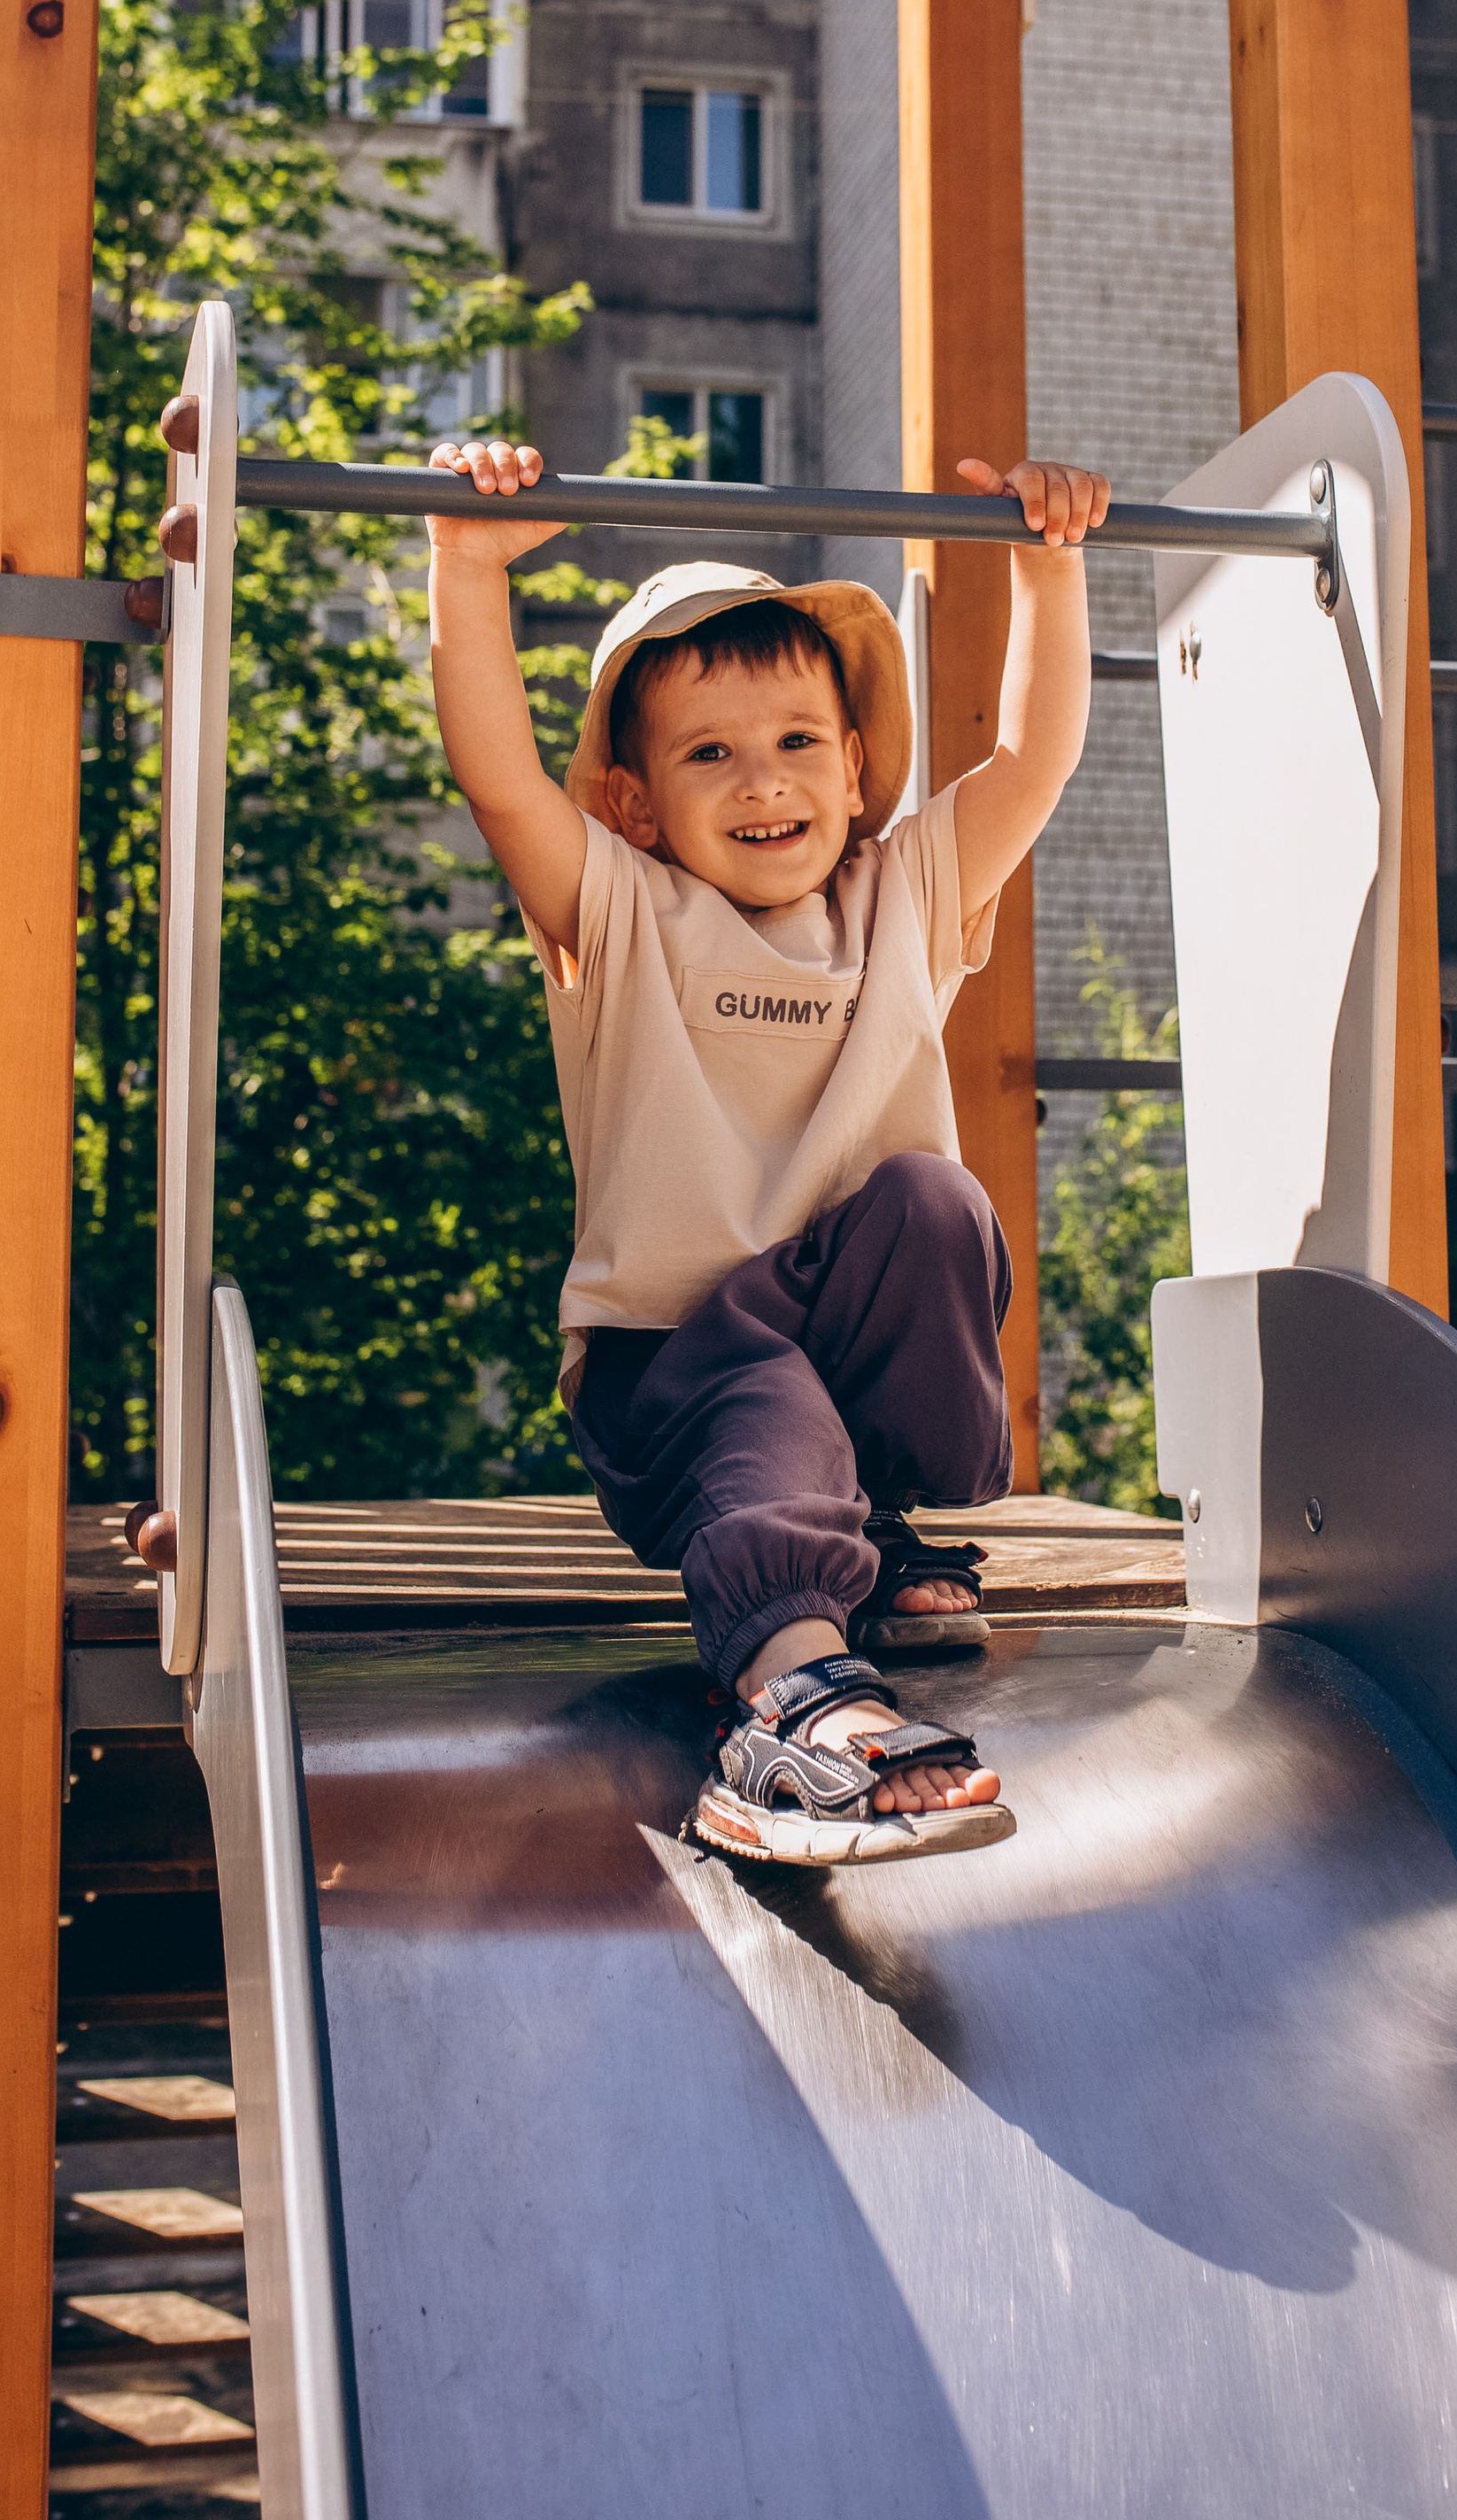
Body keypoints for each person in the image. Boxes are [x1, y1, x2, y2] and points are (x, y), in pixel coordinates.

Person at [424, 431, 1110, 1862]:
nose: (765, 781)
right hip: (672, 1372)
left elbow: (1033, 759)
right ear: (632, 800)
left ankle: (890, 1520)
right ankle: (793, 1702)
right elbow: (497, 781)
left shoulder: (905, 894)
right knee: (763, 1383)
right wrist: (464, 567)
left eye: (799, 743)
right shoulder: (620, 911)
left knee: (932, 1200)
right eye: (710, 754)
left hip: (838, 1351)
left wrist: (1049, 570)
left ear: (857, 771)